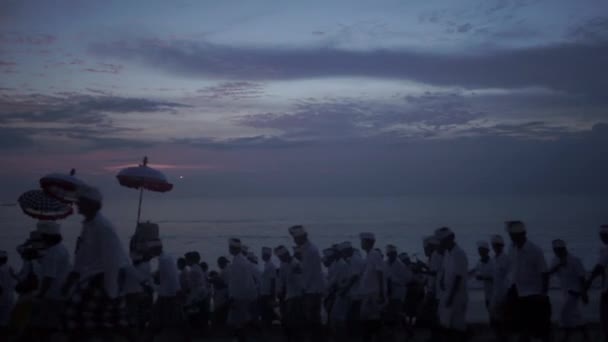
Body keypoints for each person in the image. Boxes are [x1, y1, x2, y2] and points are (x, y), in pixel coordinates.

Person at [61, 185, 132, 341]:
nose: (77, 204)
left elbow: (112, 261)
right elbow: (83, 256)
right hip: (96, 276)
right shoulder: (89, 225)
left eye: (81, 201)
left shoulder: (102, 227)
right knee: (93, 320)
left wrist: (111, 291)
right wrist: (73, 276)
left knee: (81, 316)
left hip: (105, 277)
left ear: (91, 204)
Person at [505, 220, 550, 342]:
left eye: (514, 235)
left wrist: (543, 293)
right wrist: (509, 287)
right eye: (511, 235)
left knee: (539, 327)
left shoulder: (535, 250)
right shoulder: (512, 249)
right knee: (520, 325)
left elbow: (544, 272)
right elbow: (512, 269)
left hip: (533, 293)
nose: (512, 238)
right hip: (517, 291)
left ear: (522, 234)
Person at [31, 221, 71, 340]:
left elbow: (48, 277)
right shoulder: (61, 249)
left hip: (52, 296)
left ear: (46, 237)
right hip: (60, 294)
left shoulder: (52, 253)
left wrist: (40, 295)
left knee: (46, 327)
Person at [146, 239, 188, 341]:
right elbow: (165, 274)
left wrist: (150, 282)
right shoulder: (166, 257)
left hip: (167, 296)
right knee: (175, 320)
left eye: (151, 249)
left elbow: (170, 277)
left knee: (158, 319)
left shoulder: (163, 260)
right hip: (169, 294)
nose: (150, 252)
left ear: (156, 249)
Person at [547, 239, 589, 342]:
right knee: (576, 315)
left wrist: (584, 293)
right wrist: (559, 265)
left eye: (558, 250)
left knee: (564, 313)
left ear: (563, 249)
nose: (557, 252)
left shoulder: (575, 260)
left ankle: (567, 336)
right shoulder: (555, 260)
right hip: (565, 291)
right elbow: (549, 272)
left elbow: (582, 277)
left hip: (575, 291)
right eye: (555, 250)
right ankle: (585, 335)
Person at [288, 225, 324, 340]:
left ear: (301, 238)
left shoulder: (310, 251)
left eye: (295, 238)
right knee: (312, 320)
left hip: (311, 291)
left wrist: (302, 290)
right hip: (312, 289)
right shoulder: (309, 249)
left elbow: (307, 274)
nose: (294, 240)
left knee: (311, 321)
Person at [435, 227, 468, 342]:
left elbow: (458, 277)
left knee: (457, 326)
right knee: (446, 324)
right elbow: (445, 269)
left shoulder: (459, 253)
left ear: (450, 239)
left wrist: (451, 296)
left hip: (456, 295)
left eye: (443, 240)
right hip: (448, 293)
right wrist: (442, 280)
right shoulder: (448, 253)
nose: (441, 243)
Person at [226, 238, 257, 342]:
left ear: (233, 248)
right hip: (243, 296)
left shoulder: (238, 262)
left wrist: (233, 298)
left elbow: (238, 283)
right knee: (240, 322)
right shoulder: (241, 260)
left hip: (239, 297)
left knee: (238, 323)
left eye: (230, 247)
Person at [357, 232, 385, 342]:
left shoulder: (374, 254)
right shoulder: (369, 255)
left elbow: (380, 273)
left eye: (362, 241)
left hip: (372, 294)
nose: (361, 243)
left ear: (367, 242)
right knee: (370, 321)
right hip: (368, 293)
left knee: (371, 322)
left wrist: (381, 292)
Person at [275, 245, 303, 342]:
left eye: (281, 257)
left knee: (295, 323)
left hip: (296, 297)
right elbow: (282, 281)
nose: (280, 259)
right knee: (287, 322)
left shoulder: (296, 264)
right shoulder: (283, 264)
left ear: (286, 255)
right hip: (287, 297)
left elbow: (300, 283)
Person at [384, 244, 413, 339]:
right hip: (389, 293)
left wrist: (393, 279)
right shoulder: (385, 264)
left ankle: (406, 332)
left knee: (398, 315)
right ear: (387, 254)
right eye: (390, 254)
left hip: (398, 294)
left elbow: (407, 279)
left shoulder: (401, 265)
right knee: (391, 315)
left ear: (396, 254)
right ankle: (393, 333)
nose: (392, 255)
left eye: (393, 254)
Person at [586, 224, 608, 342]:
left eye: (603, 235)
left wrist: (589, 281)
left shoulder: (606, 250)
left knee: (605, 320)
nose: (602, 237)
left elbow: (599, 268)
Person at [489, 234, 509, 342]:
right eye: (494, 245)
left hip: (503, 292)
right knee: (494, 318)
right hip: (495, 292)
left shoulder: (505, 259)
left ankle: (503, 338)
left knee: (502, 318)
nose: (495, 247)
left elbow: (509, 277)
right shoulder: (494, 259)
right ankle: (499, 337)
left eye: (497, 245)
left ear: (501, 246)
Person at [184, 251, 209, 334]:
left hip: (197, 295)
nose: (186, 261)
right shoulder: (197, 268)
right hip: (201, 294)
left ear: (191, 260)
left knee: (195, 314)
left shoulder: (193, 270)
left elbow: (192, 286)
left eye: (187, 259)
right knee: (201, 315)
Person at [469, 240, 494, 314]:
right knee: (489, 311)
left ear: (487, 251)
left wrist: (483, 278)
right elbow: (473, 271)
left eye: (481, 250)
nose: (480, 252)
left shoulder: (493, 262)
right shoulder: (479, 262)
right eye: (479, 251)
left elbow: (496, 278)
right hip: (487, 293)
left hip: (494, 292)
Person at [259, 247, 277, 328]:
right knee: (265, 312)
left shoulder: (270, 266)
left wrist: (272, 295)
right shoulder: (267, 265)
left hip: (267, 293)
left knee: (267, 312)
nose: (262, 256)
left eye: (263, 255)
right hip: (264, 292)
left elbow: (273, 281)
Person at [0, 250, 16, 337]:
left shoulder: (1, 270)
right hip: (11, 297)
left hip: (2, 299)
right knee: (6, 321)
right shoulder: (11, 268)